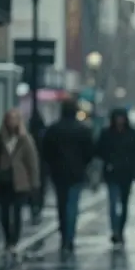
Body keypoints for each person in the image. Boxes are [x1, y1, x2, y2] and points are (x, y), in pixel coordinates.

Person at [0, 109, 40, 257]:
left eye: (15, 119)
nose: (11, 122)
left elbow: (32, 162)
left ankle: (13, 241)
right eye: (9, 119)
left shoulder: (25, 139)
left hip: (21, 182)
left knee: (17, 212)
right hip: (3, 181)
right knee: (4, 212)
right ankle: (7, 239)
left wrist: (34, 183)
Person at [42, 98, 94, 255]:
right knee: (73, 205)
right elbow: (89, 152)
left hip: (58, 173)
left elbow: (46, 151)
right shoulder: (83, 130)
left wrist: (52, 165)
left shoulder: (53, 129)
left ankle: (64, 234)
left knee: (61, 205)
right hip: (76, 173)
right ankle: (69, 238)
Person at [96, 108, 135, 248]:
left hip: (126, 174)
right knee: (112, 203)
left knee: (123, 203)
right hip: (112, 174)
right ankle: (115, 230)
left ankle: (120, 230)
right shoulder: (107, 134)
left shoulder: (132, 134)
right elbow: (99, 151)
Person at [27, 111, 47, 224]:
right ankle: (38, 207)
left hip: (30, 166)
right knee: (41, 188)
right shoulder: (44, 134)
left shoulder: (28, 135)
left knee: (32, 188)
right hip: (42, 166)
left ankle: (33, 207)